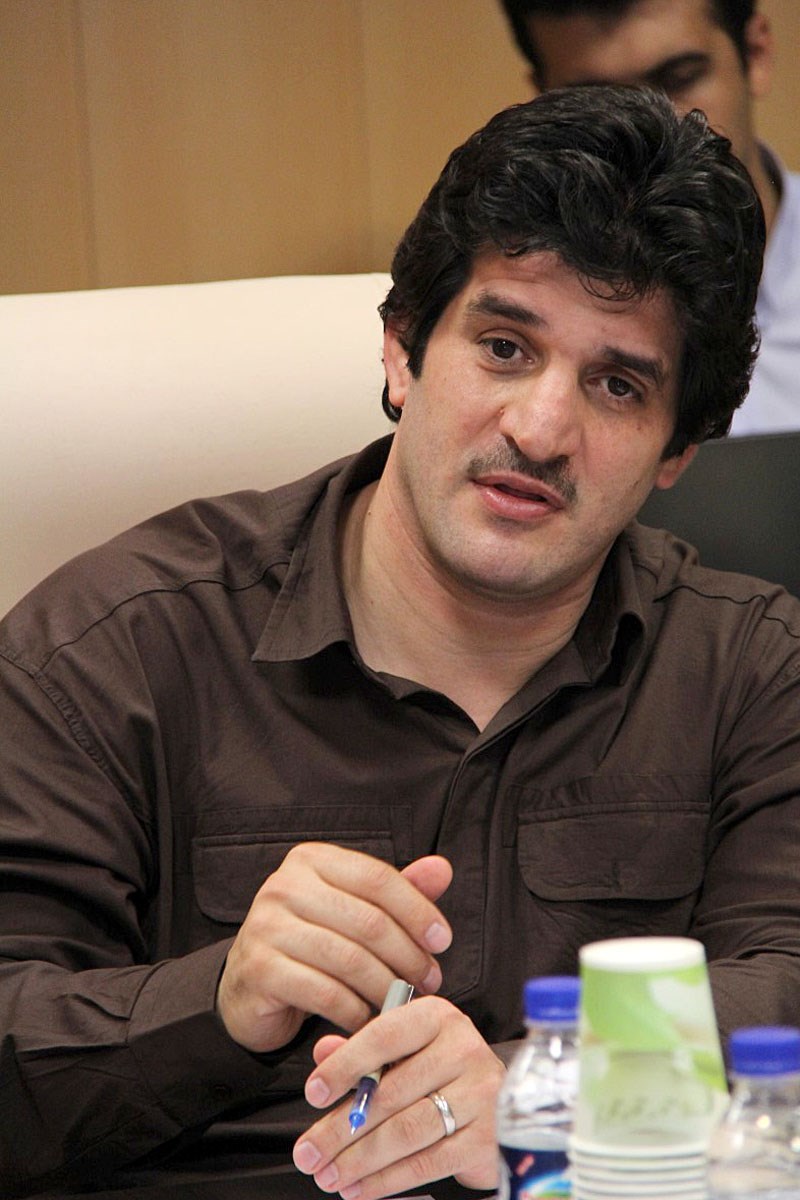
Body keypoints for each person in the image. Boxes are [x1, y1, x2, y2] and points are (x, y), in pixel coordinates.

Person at [2, 83, 800, 1200]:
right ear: (400, 351)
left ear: (675, 453)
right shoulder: (112, 650)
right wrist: (216, 1002)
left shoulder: (751, 672)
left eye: (617, 384)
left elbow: (786, 989)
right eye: (504, 347)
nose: (540, 429)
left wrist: (545, 1092)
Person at [497, 0, 800, 436]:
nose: (650, 128)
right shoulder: (490, 285)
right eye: (601, 100)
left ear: (755, 53)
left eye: (679, 79)